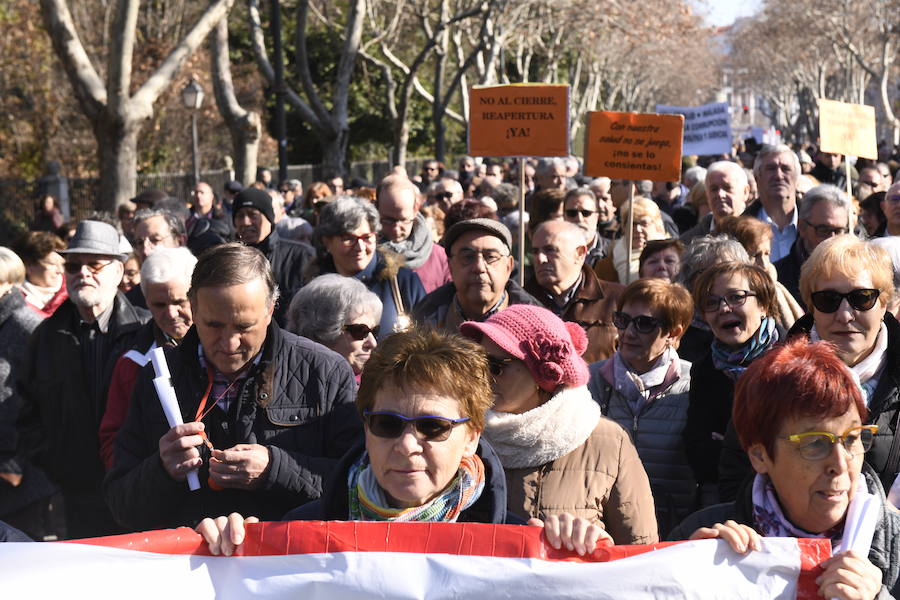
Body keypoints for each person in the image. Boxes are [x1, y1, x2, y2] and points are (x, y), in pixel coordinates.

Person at [196, 327, 607, 558]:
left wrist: (582, 558)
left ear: (472, 437)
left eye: (433, 427)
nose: (407, 445)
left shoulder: (521, 549)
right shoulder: (296, 536)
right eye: (388, 424)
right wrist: (225, 555)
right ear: (366, 427)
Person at [104, 244, 360, 531]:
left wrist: (276, 469)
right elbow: (120, 505)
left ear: (271, 309)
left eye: (244, 327)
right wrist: (162, 470)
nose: (229, 344)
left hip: (286, 565)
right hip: (191, 566)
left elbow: (357, 488)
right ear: (193, 307)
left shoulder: (325, 372)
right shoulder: (160, 376)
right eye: (213, 325)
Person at [671, 339, 900, 599]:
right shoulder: (705, 536)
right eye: (815, 444)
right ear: (760, 456)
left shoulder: (896, 544)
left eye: (852, 438)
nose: (839, 464)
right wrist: (683, 580)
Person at [458, 305, 657, 544]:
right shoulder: (463, 435)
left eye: (495, 366)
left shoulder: (609, 442)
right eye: (477, 365)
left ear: (543, 376)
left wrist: (596, 548)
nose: (482, 376)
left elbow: (640, 551)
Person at [17, 221, 150, 538]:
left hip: (138, 490)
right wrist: (56, 466)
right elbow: (27, 409)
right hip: (76, 496)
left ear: (118, 272)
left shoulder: (146, 331)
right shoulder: (47, 336)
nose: (83, 273)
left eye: (94, 264)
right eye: (74, 265)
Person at [587, 279, 695, 536]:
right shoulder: (592, 380)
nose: (629, 332)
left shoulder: (693, 384)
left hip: (675, 527)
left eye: (644, 324)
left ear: (674, 333)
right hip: (606, 527)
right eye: (623, 320)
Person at [683, 261, 781, 507]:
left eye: (736, 297)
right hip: (725, 498)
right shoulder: (705, 369)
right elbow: (697, 442)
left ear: (763, 305)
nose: (724, 309)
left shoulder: (791, 362)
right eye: (711, 303)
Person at [98, 247, 197, 469]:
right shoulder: (132, 363)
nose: (171, 314)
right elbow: (112, 442)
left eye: (180, 302)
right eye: (160, 305)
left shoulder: (226, 349)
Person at [0, 249, 58, 541]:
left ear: (9, 282)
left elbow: (40, 400)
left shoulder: (27, 325)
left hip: (20, 470)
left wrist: (15, 463)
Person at [309, 196, 425, 337]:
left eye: (367, 237)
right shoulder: (312, 288)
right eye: (349, 238)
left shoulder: (402, 282)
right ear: (327, 242)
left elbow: (427, 342)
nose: (360, 247)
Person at [413, 219, 540, 332]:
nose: (479, 267)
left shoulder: (537, 326)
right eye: (467, 257)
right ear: (450, 267)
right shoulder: (421, 323)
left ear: (509, 266)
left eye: (490, 257)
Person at [525, 220, 623, 363]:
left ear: (580, 253)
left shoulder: (618, 299)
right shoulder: (520, 303)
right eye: (535, 251)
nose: (540, 259)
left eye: (550, 250)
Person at [232, 188, 316, 325]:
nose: (246, 222)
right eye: (240, 216)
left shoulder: (301, 256)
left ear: (269, 218)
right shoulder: (229, 260)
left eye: (253, 215)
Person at [286, 274, 382, 383]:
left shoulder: (380, 387)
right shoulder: (287, 384)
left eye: (374, 331)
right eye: (360, 331)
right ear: (322, 332)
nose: (373, 343)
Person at [716, 216, 804, 331]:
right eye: (755, 255)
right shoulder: (725, 301)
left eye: (767, 254)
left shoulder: (776, 289)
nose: (764, 264)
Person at [773, 184, 850, 308]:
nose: (832, 239)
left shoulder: (856, 277)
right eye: (823, 229)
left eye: (839, 231)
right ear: (802, 227)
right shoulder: (777, 280)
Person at [376, 175, 451, 294]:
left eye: (403, 220)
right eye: (387, 220)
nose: (396, 228)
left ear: (415, 209)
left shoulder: (439, 257)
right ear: (377, 208)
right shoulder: (364, 253)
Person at [746, 144, 801, 263]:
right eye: (771, 168)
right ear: (757, 177)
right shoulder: (740, 232)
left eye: (785, 169)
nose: (778, 176)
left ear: (797, 178)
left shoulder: (815, 226)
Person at [594, 197, 668, 284]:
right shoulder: (606, 265)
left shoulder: (671, 259)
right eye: (632, 224)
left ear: (656, 225)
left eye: (644, 223)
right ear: (623, 227)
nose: (637, 229)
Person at [680, 161, 750, 245]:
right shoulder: (688, 242)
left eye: (727, 188)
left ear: (745, 192)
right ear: (707, 194)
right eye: (714, 189)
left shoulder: (763, 233)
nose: (720, 194)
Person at [11, 231, 68, 318]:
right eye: (52, 264)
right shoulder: (10, 298)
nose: (60, 270)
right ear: (28, 266)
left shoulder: (73, 293)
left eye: (62, 264)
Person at [563, 187, 608, 266]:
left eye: (586, 213)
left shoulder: (612, 252)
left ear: (596, 217)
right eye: (572, 213)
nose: (579, 219)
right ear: (564, 216)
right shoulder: (553, 253)